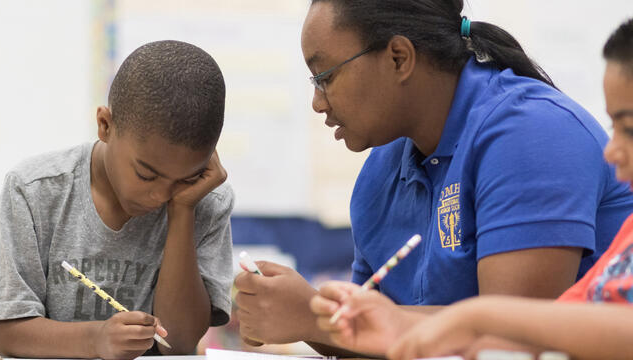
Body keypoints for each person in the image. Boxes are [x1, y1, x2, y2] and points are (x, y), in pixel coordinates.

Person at [234, 0, 633, 355]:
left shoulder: (534, 131)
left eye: (325, 77)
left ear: (398, 58)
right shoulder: (383, 168)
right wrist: (305, 317)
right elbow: (368, 344)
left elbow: (513, 341)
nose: (318, 103)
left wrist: (313, 317)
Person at [0, 40, 234, 359]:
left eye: (184, 179)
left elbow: (178, 342)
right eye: (147, 175)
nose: (160, 195)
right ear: (105, 125)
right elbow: (3, 331)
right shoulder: (35, 190)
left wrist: (183, 210)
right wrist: (95, 339)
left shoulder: (206, 200)